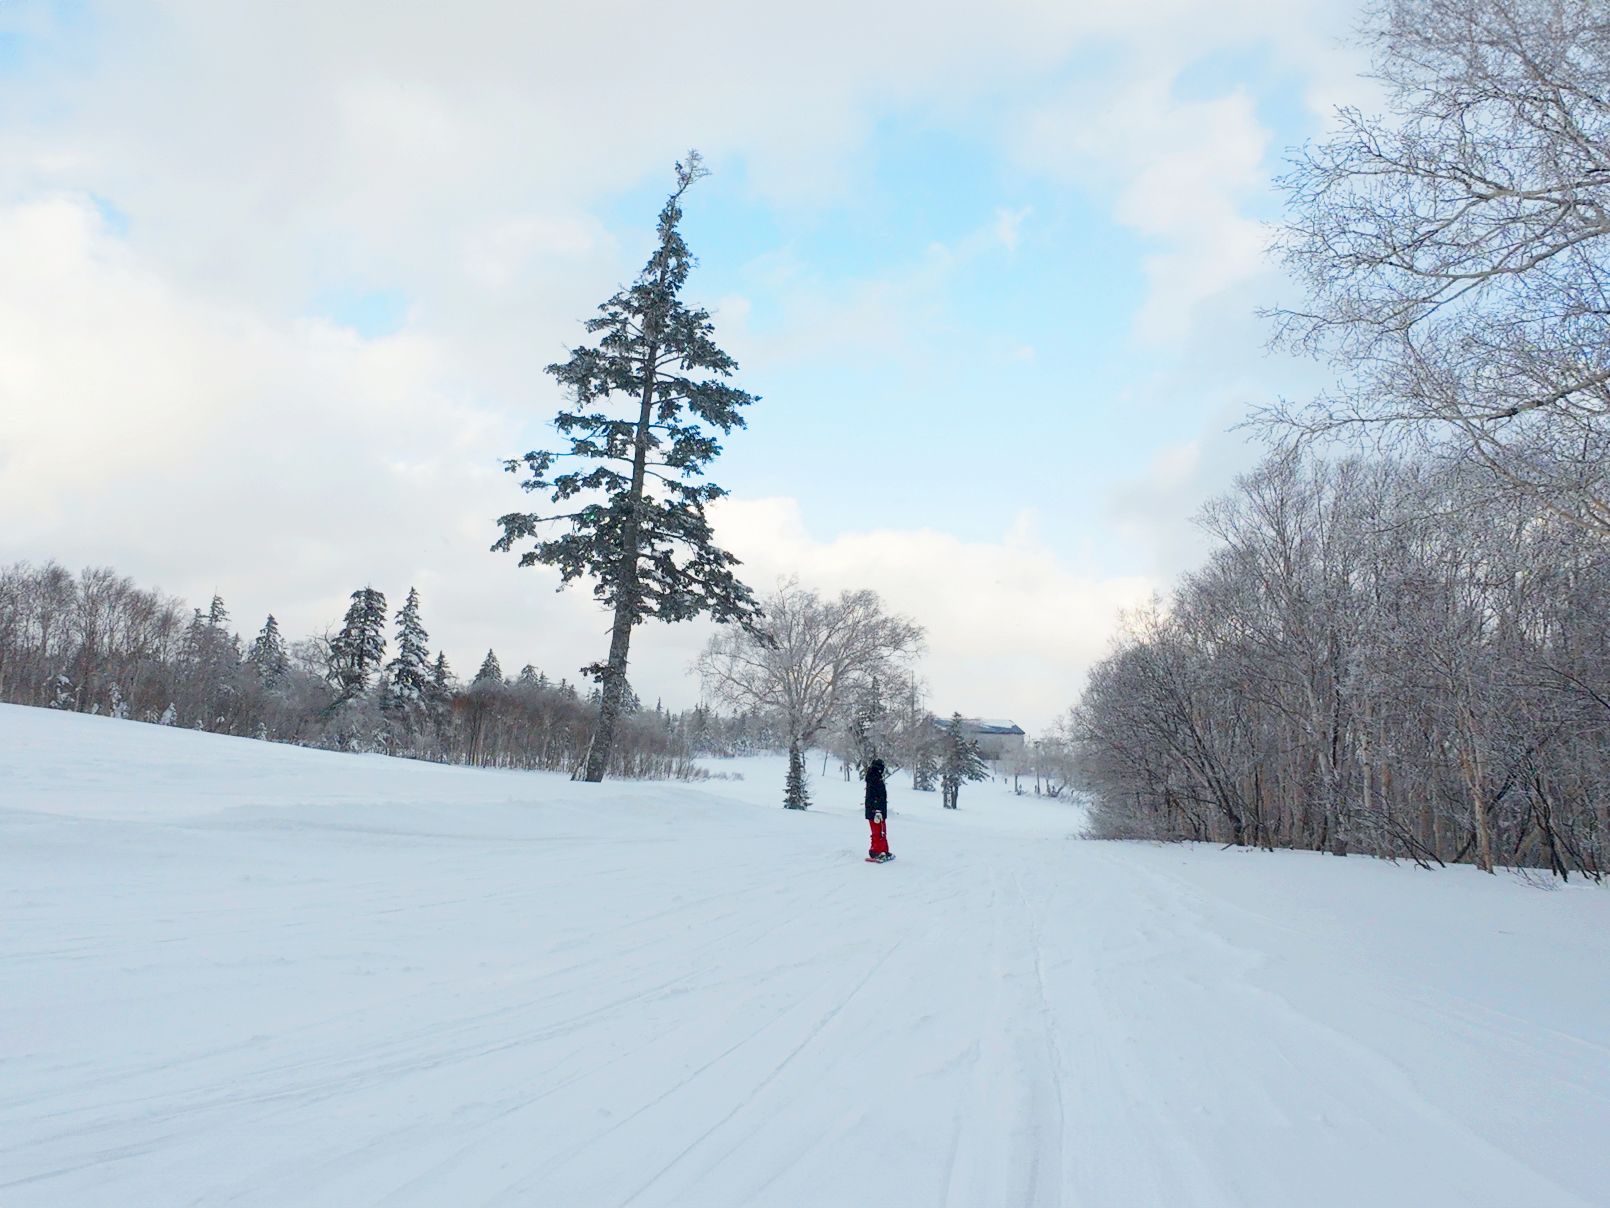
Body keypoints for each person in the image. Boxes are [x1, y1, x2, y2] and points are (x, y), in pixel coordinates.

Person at [865, 758, 893, 862]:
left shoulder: (876, 778)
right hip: (876, 812)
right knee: (878, 832)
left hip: (879, 810)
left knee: (882, 832)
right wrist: (876, 810)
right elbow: (874, 797)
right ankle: (876, 851)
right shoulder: (874, 779)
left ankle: (884, 850)